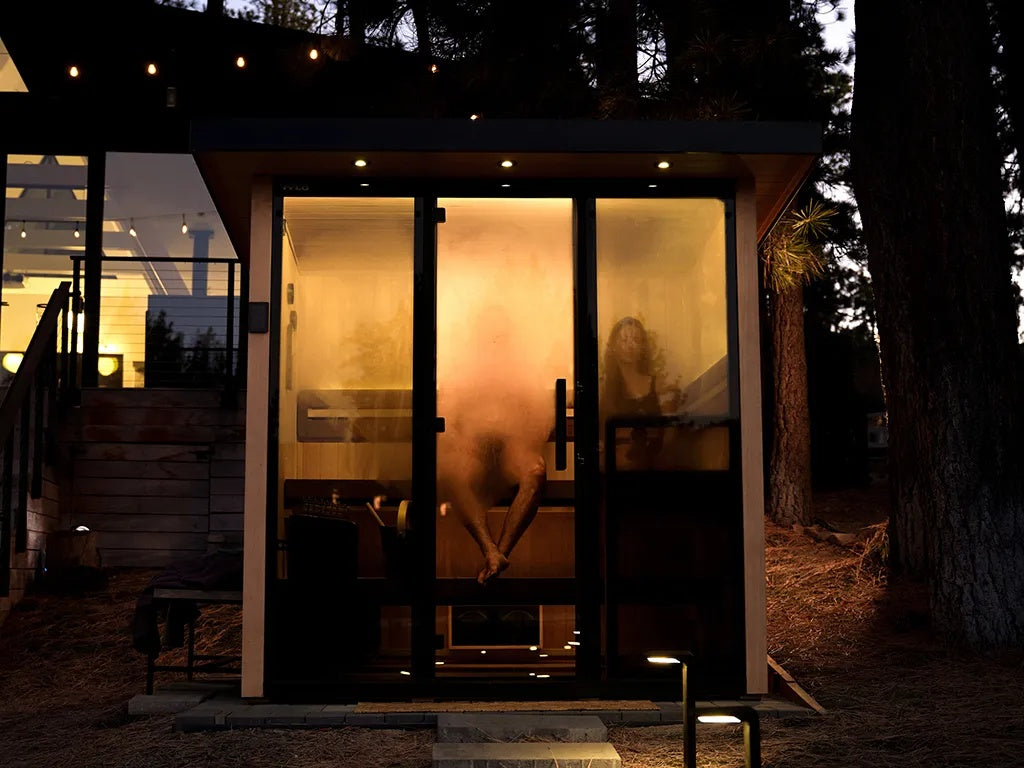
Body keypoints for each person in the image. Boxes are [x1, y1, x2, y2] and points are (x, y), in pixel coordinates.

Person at [436, 308, 554, 585]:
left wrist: (520, 437)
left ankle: (501, 552)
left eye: (499, 333)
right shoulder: (462, 369)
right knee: (450, 470)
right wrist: (463, 441)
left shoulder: (522, 370)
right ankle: (491, 550)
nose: (494, 338)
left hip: (512, 447)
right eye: (489, 332)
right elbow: (446, 416)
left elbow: (540, 416)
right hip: (474, 448)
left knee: (536, 470)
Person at [599, 316, 681, 470]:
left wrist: (659, 460)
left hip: (654, 467)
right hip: (614, 470)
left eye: (636, 340)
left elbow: (671, 432)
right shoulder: (604, 388)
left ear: (643, 347)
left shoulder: (659, 384)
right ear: (614, 346)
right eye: (624, 340)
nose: (630, 345)